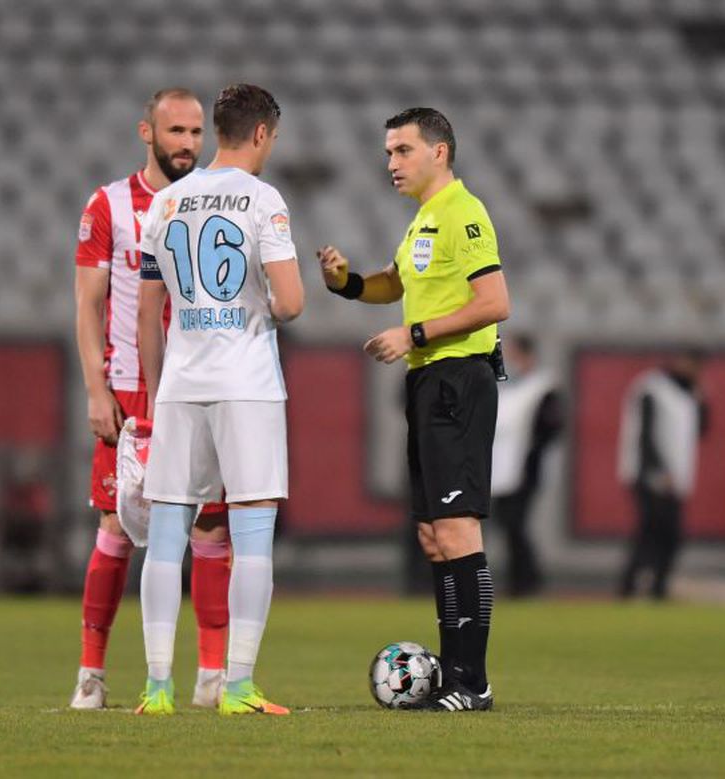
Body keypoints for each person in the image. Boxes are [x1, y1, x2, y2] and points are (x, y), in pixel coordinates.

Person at [319, 107, 510, 712]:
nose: (392, 163)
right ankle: (453, 675)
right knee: (432, 536)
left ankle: (473, 682)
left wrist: (415, 334)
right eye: (388, 153)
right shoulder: (423, 220)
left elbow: (495, 302)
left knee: (458, 529)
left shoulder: (463, 213)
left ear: (439, 152)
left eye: (402, 150)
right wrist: (347, 282)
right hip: (428, 381)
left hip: (459, 380)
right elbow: (396, 284)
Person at [135, 83, 303, 716]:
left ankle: (156, 688)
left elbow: (149, 312)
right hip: (246, 384)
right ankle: (237, 687)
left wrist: (157, 394)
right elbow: (290, 302)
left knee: (166, 537)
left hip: (181, 384)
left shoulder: (166, 201)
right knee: (252, 533)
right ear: (261, 133)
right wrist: (264, 300)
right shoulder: (263, 199)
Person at [70, 88, 231, 710]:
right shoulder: (109, 204)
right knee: (115, 526)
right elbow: (87, 304)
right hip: (131, 388)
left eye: (196, 132)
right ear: (147, 133)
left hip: (201, 383)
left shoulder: (213, 203)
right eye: (176, 132)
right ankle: (91, 673)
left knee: (211, 524)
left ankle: (212, 676)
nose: (188, 144)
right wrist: (96, 389)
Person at [616, 351, 708, 600]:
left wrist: (702, 402)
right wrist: (658, 470)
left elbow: (701, 430)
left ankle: (657, 587)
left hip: (676, 479)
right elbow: (645, 434)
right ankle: (630, 588)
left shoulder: (688, 395)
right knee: (651, 533)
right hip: (650, 476)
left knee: (668, 536)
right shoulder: (652, 388)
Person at [489, 334, 563, 598]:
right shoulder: (507, 387)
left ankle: (526, 580)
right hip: (501, 469)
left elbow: (552, 427)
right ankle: (521, 579)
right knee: (508, 525)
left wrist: (531, 451)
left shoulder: (543, 387)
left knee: (515, 523)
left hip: (525, 469)